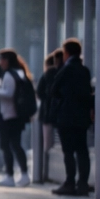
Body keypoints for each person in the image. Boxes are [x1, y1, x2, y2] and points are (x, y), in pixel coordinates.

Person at [50, 38, 92, 196]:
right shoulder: (84, 70)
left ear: (66, 53)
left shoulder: (65, 69)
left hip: (66, 116)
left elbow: (54, 90)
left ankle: (69, 183)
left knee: (68, 151)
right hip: (82, 116)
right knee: (82, 150)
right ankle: (83, 184)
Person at [0, 49, 31, 187]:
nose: (0, 62)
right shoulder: (20, 73)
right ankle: (23, 174)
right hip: (17, 116)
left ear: (7, 60)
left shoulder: (8, 75)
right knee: (15, 145)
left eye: (2, 59)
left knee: (7, 145)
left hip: (8, 115)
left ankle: (10, 175)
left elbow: (9, 93)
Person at [37, 49, 63, 184]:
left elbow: (40, 92)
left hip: (47, 114)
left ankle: (46, 172)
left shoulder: (49, 73)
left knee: (47, 144)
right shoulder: (63, 71)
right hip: (62, 114)